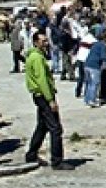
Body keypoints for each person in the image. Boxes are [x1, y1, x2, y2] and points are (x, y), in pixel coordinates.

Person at [24, 30, 74, 169]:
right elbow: (42, 80)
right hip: (43, 95)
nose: (46, 43)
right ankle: (57, 161)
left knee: (42, 126)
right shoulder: (37, 58)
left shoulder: (35, 56)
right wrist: (51, 99)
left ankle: (31, 154)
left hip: (39, 95)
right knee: (56, 129)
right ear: (35, 42)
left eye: (46, 40)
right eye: (43, 41)